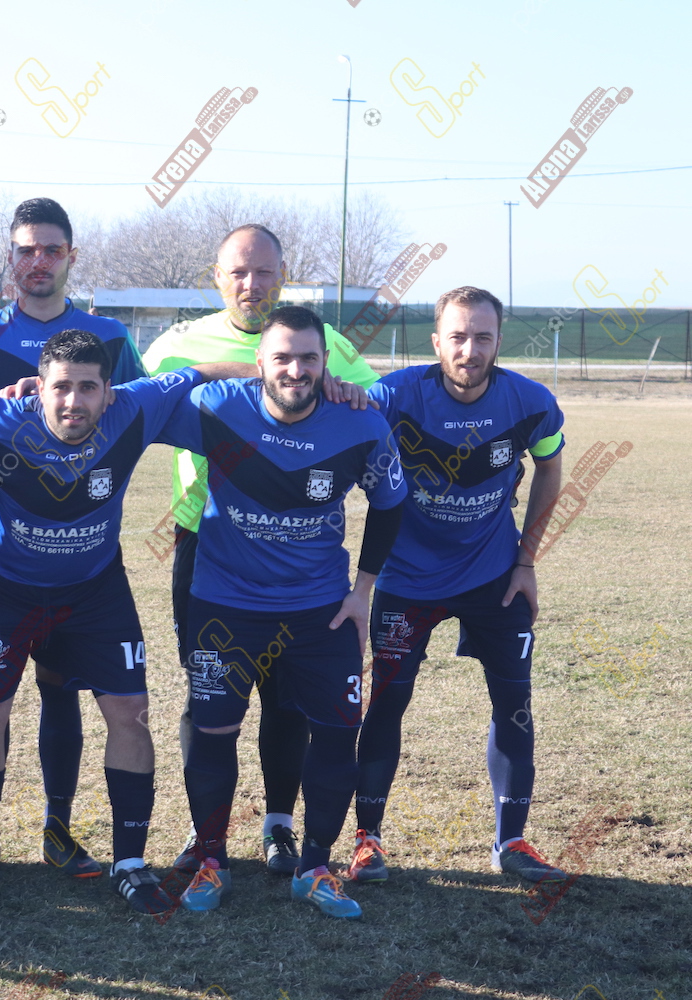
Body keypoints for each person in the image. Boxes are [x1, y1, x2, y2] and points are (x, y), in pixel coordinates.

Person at [0, 329, 232, 916]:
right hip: (0, 592)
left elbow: (201, 372)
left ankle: (130, 863)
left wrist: (290, 375)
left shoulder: (133, 408)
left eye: (88, 388)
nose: (74, 401)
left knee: (130, 713)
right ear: (38, 389)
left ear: (108, 391)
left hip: (94, 592)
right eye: (61, 388)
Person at [142, 224, 378, 877]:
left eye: (265, 272)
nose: (252, 284)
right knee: (208, 691)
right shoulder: (178, 342)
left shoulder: (324, 343)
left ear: (283, 275)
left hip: (297, 546)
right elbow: (140, 399)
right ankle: (205, 833)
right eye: (239, 272)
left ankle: (279, 824)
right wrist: (256, 370)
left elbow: (373, 402)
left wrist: (344, 386)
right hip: (208, 539)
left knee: (286, 695)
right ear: (217, 277)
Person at [170, 305, 404, 921]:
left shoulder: (361, 423)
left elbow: (390, 504)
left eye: (308, 358)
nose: (295, 370)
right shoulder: (216, 407)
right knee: (213, 731)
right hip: (224, 606)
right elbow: (126, 410)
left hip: (319, 612)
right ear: (258, 363)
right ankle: (213, 860)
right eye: (282, 357)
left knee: (337, 732)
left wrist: (362, 591)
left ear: (326, 363)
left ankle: (315, 868)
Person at [0, 197, 147, 879]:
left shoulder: (108, 337)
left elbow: (141, 408)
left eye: (51, 249)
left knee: (64, 692)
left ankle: (59, 830)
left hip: (85, 561)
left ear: (71, 257)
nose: (38, 261)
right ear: (10, 256)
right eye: (26, 249)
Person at [345, 286, 567, 887]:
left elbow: (550, 467)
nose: (470, 351)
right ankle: (367, 841)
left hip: (494, 579)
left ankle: (511, 842)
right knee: (387, 703)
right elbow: (338, 432)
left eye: (483, 337)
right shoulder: (394, 396)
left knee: (514, 705)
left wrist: (526, 562)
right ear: (436, 341)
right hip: (406, 581)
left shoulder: (531, 403)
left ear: (499, 341)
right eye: (459, 337)